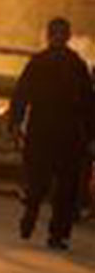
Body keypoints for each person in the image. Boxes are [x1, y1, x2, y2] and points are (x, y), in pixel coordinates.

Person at [9, 16, 95, 250]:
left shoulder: (46, 62)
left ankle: (41, 218)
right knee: (56, 186)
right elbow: (89, 102)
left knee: (48, 183)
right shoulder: (71, 64)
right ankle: (48, 228)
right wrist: (89, 135)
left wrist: (15, 123)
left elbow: (21, 94)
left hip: (49, 132)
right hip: (60, 134)